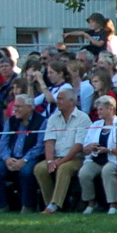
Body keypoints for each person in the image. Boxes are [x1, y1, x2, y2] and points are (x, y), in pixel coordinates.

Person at [33, 86, 91, 214]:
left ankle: (55, 204)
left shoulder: (83, 118)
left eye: (61, 99)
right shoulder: (53, 118)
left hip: (76, 158)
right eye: (57, 99)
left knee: (64, 168)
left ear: (71, 101)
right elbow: (49, 141)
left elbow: (78, 145)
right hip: (56, 157)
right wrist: (49, 161)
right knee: (40, 168)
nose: (58, 101)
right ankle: (49, 203)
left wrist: (60, 162)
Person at [78, 95, 117, 215]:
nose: (98, 112)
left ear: (110, 109)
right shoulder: (95, 125)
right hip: (96, 160)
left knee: (107, 171)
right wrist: (90, 147)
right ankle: (91, 203)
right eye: (98, 109)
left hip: (114, 160)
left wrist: (108, 150)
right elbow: (85, 148)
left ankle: (113, 204)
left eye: (101, 109)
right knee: (84, 172)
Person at [0, 91, 45, 212]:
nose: (15, 109)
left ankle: (28, 205)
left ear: (29, 107)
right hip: (12, 158)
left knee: (27, 172)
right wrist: (7, 158)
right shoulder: (11, 121)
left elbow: (40, 146)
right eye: (14, 106)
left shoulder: (42, 122)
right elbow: (3, 143)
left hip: (31, 158)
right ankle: (2, 205)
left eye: (18, 106)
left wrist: (24, 160)